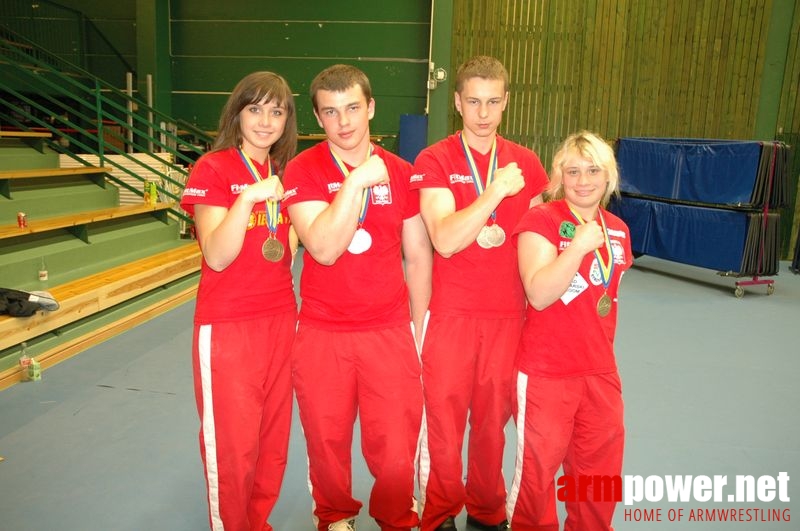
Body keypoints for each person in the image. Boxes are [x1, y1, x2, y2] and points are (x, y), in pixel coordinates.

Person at [282, 64, 432, 531]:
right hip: (323, 332)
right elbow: (323, 248)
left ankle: (395, 516)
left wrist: (419, 331)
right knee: (326, 440)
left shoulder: (402, 173)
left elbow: (419, 256)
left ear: (370, 107)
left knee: (394, 445)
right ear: (317, 118)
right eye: (330, 112)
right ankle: (335, 517)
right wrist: (355, 182)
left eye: (352, 108)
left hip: (388, 331)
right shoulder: (302, 169)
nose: (344, 122)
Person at [410, 55, 549, 531]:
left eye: (493, 102)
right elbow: (445, 238)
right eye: (473, 102)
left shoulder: (528, 164)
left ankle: (487, 512)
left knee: (493, 424)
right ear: (457, 102)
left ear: (506, 101)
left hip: (509, 317)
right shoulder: (436, 159)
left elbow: (541, 242)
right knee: (443, 424)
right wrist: (493, 193)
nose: (483, 113)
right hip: (449, 315)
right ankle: (440, 511)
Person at [180, 71, 298, 531]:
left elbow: (286, 251)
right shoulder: (213, 168)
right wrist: (248, 197)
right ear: (237, 113)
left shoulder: (287, 176)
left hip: (280, 320)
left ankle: (257, 522)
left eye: (277, 111)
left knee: (272, 441)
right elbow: (216, 253)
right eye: (255, 109)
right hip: (228, 326)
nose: (265, 121)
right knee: (233, 445)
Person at [508, 131, 632, 530]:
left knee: (598, 475)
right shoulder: (540, 220)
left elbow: (606, 299)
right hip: (546, 372)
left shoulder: (618, 229)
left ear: (608, 175)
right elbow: (539, 294)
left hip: (599, 371)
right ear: (559, 175)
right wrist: (576, 247)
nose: (583, 180)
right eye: (573, 170)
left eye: (593, 170)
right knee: (538, 473)